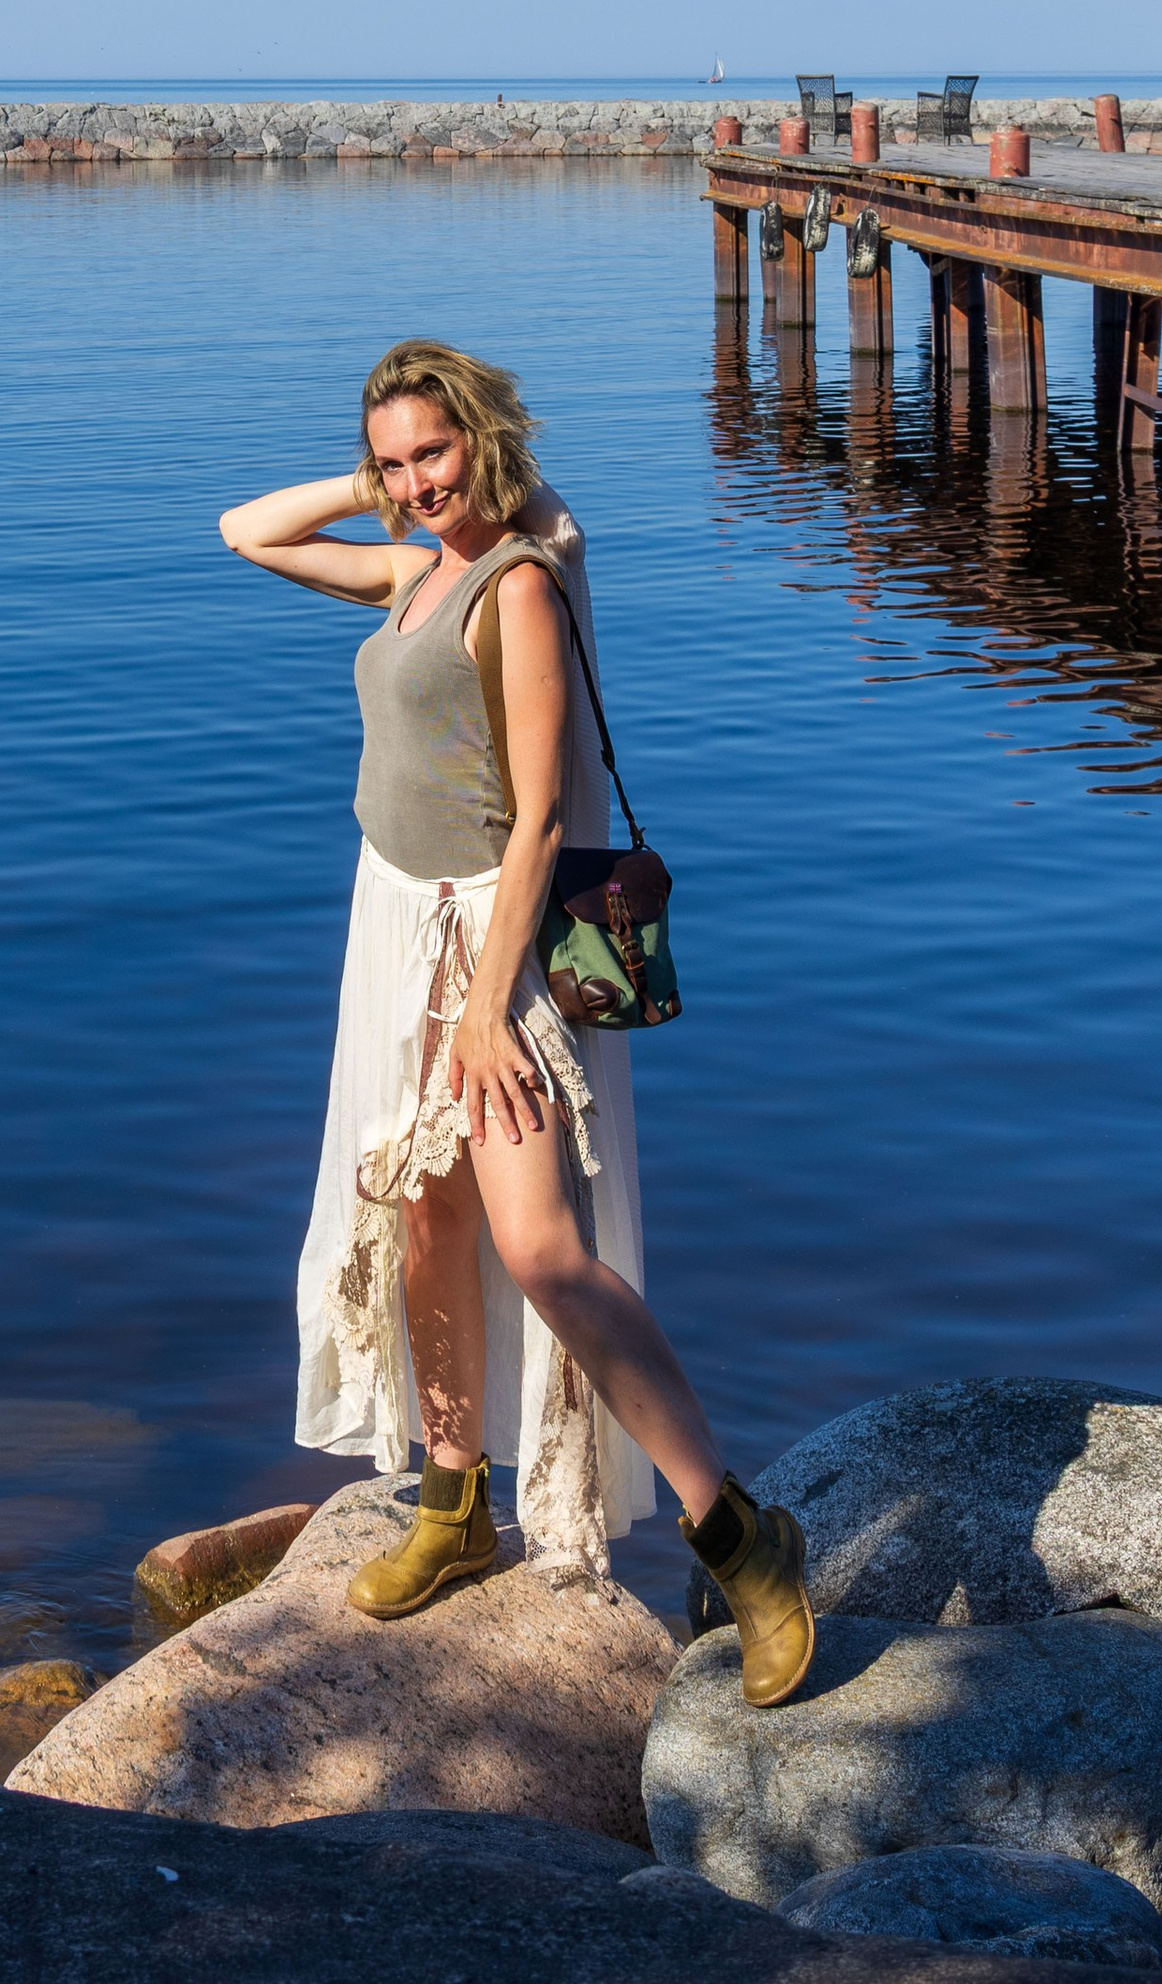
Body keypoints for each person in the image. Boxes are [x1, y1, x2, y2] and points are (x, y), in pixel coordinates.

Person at [219, 335, 812, 1703]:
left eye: (435, 450)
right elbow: (245, 533)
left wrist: (489, 1011)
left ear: (483, 439)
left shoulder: (519, 587)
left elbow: (542, 815)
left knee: (543, 1247)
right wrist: (381, 488)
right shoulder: (415, 566)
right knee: (419, 1216)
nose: (416, 480)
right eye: (393, 459)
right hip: (394, 919)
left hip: (494, 936)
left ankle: (745, 1539)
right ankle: (451, 1503)